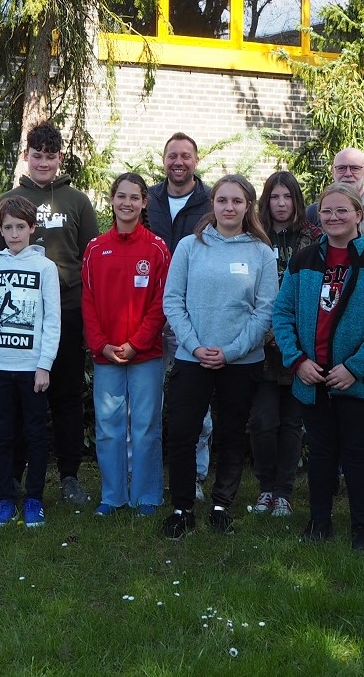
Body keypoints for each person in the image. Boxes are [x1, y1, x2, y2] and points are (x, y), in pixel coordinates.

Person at [274, 183, 364, 551]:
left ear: (359, 216)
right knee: (321, 452)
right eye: (326, 211)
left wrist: (355, 367)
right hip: (312, 376)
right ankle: (319, 522)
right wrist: (297, 361)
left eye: (341, 211)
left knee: (358, 452)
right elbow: (282, 314)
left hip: (357, 381)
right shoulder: (303, 261)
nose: (332, 217)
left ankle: (362, 528)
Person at [0, 122, 98, 507]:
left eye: (50, 156)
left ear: (59, 157)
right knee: (16, 404)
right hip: (18, 324)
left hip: (66, 313)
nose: (43, 162)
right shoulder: (9, 202)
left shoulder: (77, 201)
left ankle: (68, 477)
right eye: (37, 156)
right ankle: (11, 480)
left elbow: (90, 262)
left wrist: (87, 317)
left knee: (66, 397)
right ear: (27, 157)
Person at [160, 174, 278, 538]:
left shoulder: (260, 252)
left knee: (230, 435)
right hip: (192, 358)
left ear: (248, 206)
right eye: (222, 200)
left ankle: (221, 505)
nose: (229, 207)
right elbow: (172, 301)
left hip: (241, 363)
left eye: (237, 201)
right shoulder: (189, 247)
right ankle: (181, 507)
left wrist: (230, 351)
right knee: (182, 432)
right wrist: (195, 346)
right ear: (212, 204)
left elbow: (265, 310)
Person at [81, 173, 170, 516]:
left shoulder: (157, 248)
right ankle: (113, 495)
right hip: (106, 356)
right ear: (112, 200)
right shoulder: (94, 248)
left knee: (146, 426)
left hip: (144, 354)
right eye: (121, 196)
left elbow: (161, 303)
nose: (127, 203)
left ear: (144, 202)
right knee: (108, 428)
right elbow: (87, 301)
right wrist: (101, 345)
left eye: (135, 197)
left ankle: (146, 496)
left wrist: (136, 344)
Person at [0, 196, 61, 529]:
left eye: (20, 227)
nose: (14, 234)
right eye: (8, 227)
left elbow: (53, 319)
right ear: (0, 229)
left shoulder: (45, 267)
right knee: (2, 434)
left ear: (32, 228)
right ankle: (5, 498)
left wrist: (45, 364)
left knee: (34, 434)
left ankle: (34, 499)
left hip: (31, 368)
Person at [248, 171, 320, 517]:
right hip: (259, 345)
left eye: (287, 197)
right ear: (266, 200)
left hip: (298, 345)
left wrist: (288, 333)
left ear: (297, 201)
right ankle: (265, 488)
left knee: (292, 423)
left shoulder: (314, 239)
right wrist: (266, 331)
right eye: (275, 197)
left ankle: (284, 492)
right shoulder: (252, 238)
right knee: (262, 421)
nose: (281, 204)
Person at [146, 132, 214, 500]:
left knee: (196, 405)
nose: (178, 162)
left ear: (196, 161)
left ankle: (197, 477)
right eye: (172, 155)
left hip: (194, 315)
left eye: (185, 156)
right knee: (148, 401)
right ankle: (147, 474)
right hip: (149, 313)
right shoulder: (149, 200)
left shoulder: (210, 201)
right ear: (164, 160)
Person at [304, 147, 364, 236]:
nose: (348, 174)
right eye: (341, 168)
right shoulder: (313, 212)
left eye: (355, 168)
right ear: (333, 171)